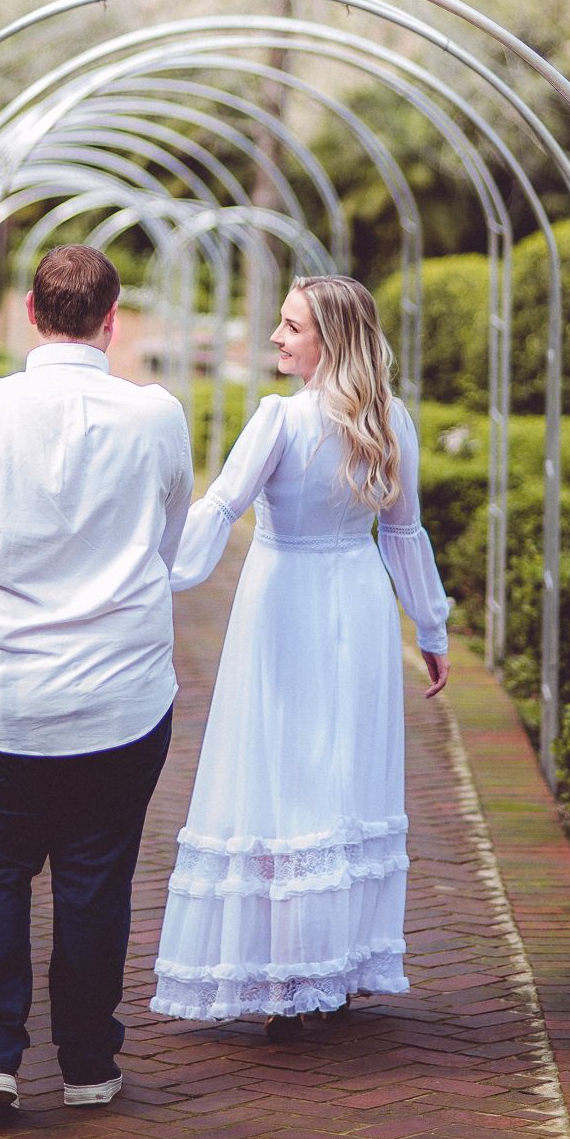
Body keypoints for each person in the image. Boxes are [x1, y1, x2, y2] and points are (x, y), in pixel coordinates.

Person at [0, 244, 194, 1116]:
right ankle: (90, 1063)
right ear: (112, 320)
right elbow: (166, 544)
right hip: (120, 697)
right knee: (97, 882)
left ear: (29, 311)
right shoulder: (156, 416)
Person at [150, 275, 450, 1036]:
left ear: (330, 341)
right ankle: (331, 966)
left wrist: (152, 579)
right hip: (355, 596)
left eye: (291, 327)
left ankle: (292, 969)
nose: (277, 339)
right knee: (341, 775)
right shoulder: (392, 420)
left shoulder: (278, 420)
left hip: (283, 599)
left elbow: (220, 505)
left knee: (282, 774)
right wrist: (429, 626)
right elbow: (404, 536)